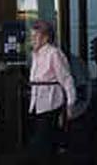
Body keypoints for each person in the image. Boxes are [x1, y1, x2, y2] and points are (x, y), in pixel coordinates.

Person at [26, 20, 75, 162]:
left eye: (35, 36)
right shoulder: (36, 54)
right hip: (37, 104)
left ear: (46, 38)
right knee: (40, 144)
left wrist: (71, 103)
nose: (32, 40)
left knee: (44, 144)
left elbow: (66, 78)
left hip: (50, 104)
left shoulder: (54, 53)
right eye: (31, 36)